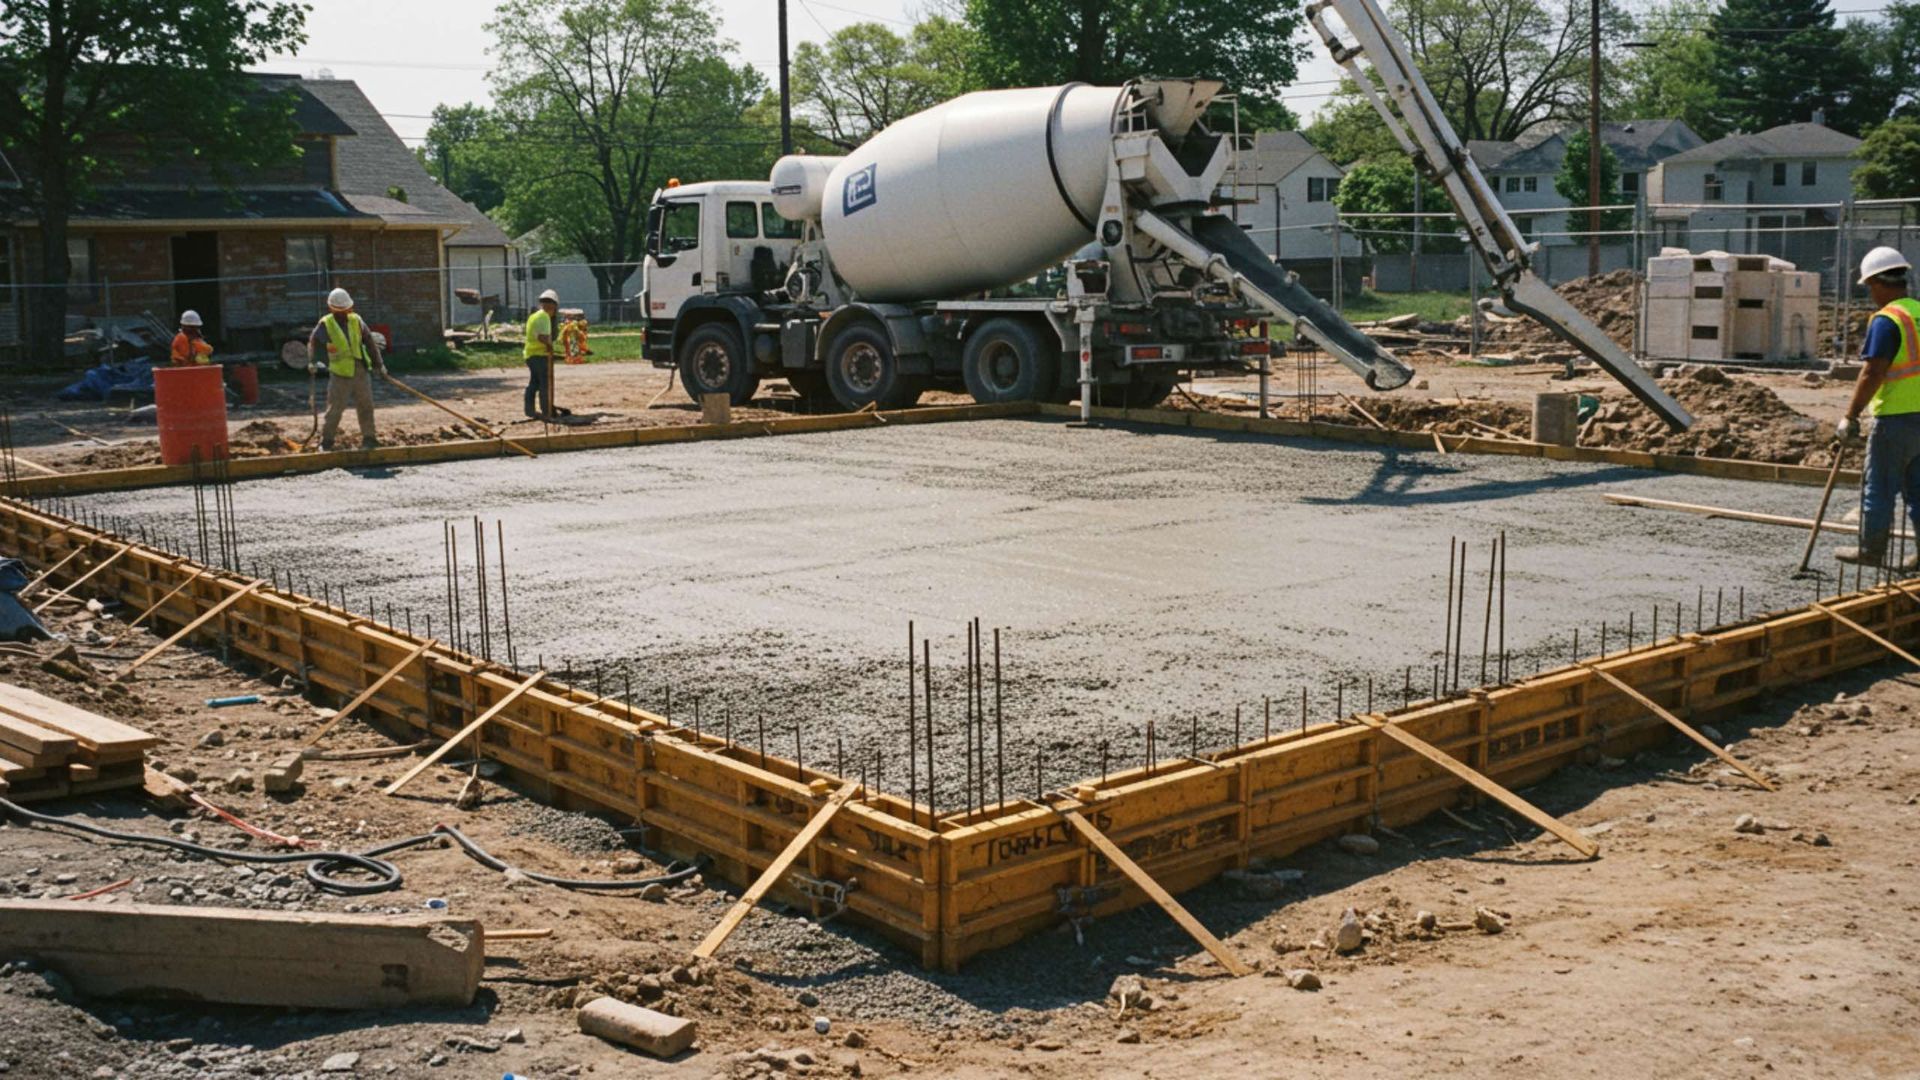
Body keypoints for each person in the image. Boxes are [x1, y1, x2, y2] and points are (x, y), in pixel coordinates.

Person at [1838, 245, 1920, 568]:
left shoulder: (1888, 320)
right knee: (1919, 490)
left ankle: (1871, 552)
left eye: (1870, 286)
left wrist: (1850, 415)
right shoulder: (1918, 312)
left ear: (1878, 282)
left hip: (1895, 419)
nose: (1871, 293)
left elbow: (1872, 372)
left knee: (1879, 487)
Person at [307, 287, 386, 452]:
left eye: (345, 310)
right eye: (339, 310)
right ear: (331, 309)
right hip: (339, 373)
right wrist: (313, 362)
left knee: (366, 405)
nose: (343, 313)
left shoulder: (356, 320)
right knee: (335, 409)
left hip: (360, 370)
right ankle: (326, 442)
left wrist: (379, 365)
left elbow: (369, 342)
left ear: (350, 308)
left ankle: (369, 438)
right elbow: (315, 343)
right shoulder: (326, 324)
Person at [524, 288, 559, 419]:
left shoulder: (534, 315)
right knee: (545, 384)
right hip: (540, 355)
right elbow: (543, 337)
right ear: (553, 305)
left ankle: (530, 410)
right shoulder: (544, 316)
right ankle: (547, 411)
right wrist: (550, 347)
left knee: (534, 383)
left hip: (530, 354)